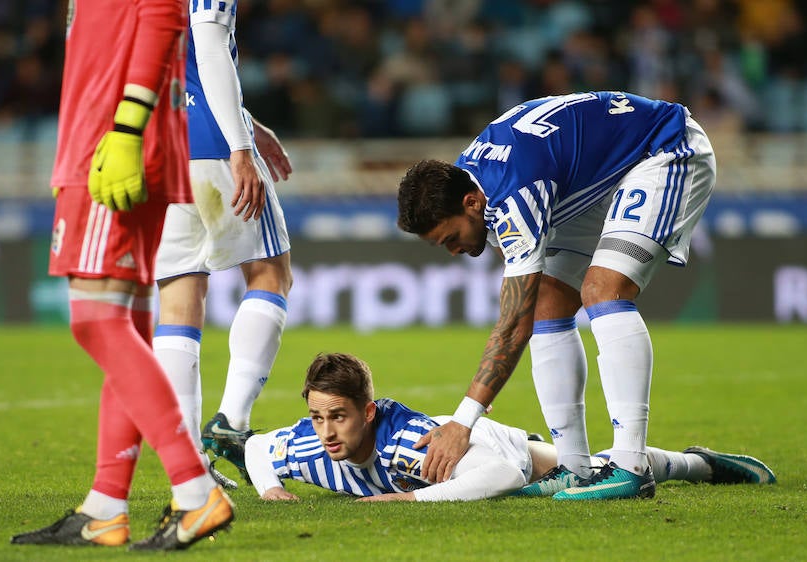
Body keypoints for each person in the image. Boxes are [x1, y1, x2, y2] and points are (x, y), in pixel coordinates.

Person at [396, 91, 717, 500]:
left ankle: (632, 465)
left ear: (471, 203)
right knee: (548, 300)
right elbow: (525, 301)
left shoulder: (514, 192)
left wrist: (463, 421)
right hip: (599, 178)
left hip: (664, 149)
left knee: (603, 290)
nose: (454, 251)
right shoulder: (472, 182)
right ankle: (574, 467)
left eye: (451, 238)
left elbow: (513, 324)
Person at [10, 0, 234, 551]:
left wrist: (128, 125)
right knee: (123, 328)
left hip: (112, 144)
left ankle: (194, 488)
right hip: (117, 140)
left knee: (96, 323)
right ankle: (105, 509)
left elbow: (162, 14)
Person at [240, 353, 775, 502]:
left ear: (369, 411)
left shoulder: (408, 443)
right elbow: (260, 446)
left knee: (589, 473)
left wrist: (409, 502)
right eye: (318, 416)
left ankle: (697, 464)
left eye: (339, 416)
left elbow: (498, 472)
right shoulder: (308, 444)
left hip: (491, 448)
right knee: (585, 472)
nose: (327, 431)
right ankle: (690, 460)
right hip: (486, 461)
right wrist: (269, 488)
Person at [153, 0, 293, 489]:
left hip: (161, 146)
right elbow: (210, 49)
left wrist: (250, 124)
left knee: (178, 300)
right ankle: (231, 422)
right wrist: (239, 146)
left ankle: (190, 463)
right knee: (270, 271)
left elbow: (179, 68)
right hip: (212, 145)